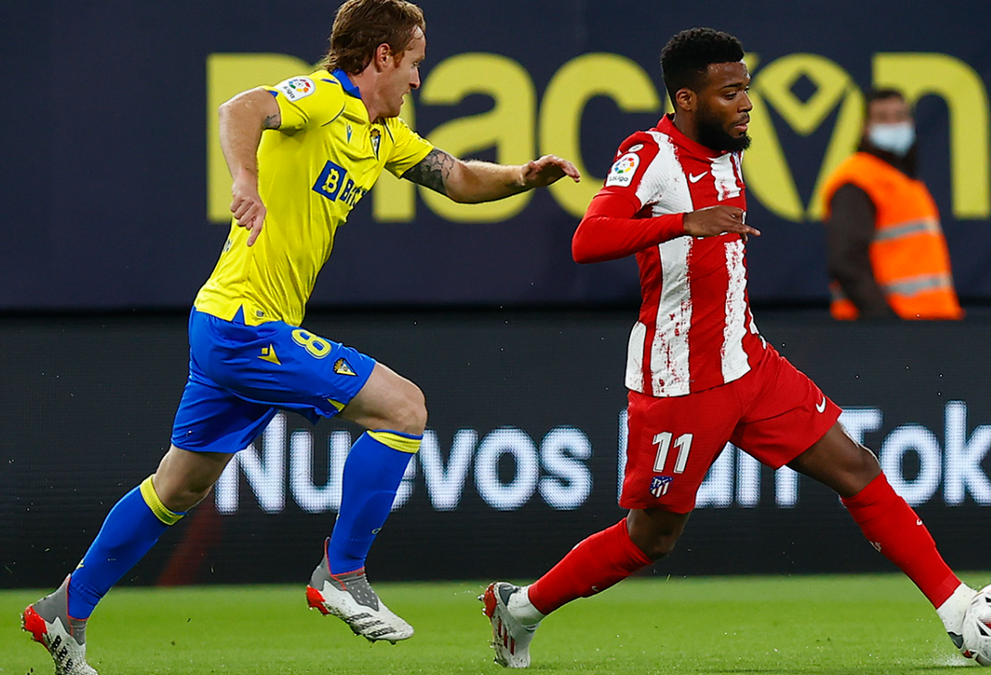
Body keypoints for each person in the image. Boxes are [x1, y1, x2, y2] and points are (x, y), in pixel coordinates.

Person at [21, 1, 579, 673]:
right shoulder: (323, 96)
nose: (419, 81)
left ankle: (64, 609)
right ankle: (342, 574)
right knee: (404, 408)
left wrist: (522, 176)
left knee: (178, 487)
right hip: (243, 325)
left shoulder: (382, 135)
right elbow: (238, 109)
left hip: (230, 324)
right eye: (415, 64)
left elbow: (454, 176)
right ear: (382, 57)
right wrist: (245, 178)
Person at [481, 28, 991, 669]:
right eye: (730, 92)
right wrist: (681, 222)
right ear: (686, 99)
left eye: (747, 87)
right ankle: (519, 608)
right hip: (681, 379)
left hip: (748, 362)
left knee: (856, 467)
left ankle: (959, 612)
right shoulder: (650, 154)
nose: (746, 102)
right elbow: (589, 239)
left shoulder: (728, 146)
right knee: (651, 539)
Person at [820, 88, 963, 320]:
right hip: (890, 333)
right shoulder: (857, 180)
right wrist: (886, 323)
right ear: (866, 127)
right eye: (883, 118)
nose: (893, 124)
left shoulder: (903, 179)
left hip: (929, 325)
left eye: (900, 116)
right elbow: (846, 263)